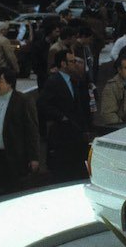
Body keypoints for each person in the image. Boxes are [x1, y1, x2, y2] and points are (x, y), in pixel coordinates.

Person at [0, 67, 42, 198]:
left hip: (16, 156)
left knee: (16, 191)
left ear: (10, 83)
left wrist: (34, 157)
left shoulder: (23, 101)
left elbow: (32, 130)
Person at [38, 50, 90, 182]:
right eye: (72, 61)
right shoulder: (54, 81)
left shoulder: (74, 80)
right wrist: (60, 116)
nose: (75, 64)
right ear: (63, 64)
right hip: (62, 135)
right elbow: (42, 104)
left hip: (75, 134)